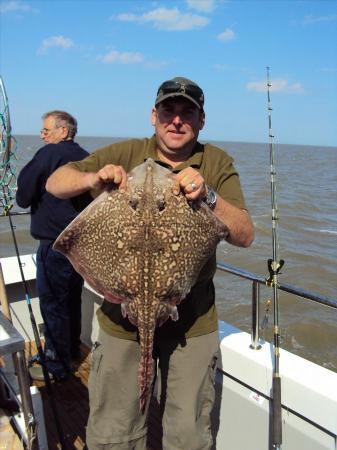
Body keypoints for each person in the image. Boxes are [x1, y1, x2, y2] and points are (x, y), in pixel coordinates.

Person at [46, 77, 254, 449]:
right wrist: (96, 176)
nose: (176, 121)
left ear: (201, 120)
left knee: (188, 435)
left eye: (186, 112)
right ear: (153, 116)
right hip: (119, 317)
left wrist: (208, 195)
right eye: (167, 111)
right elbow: (55, 183)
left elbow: (245, 234)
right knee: (114, 432)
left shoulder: (216, 161)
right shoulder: (126, 151)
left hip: (192, 321)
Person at [16, 110, 89, 381]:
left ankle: (56, 363)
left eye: (46, 130)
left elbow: (23, 194)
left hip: (55, 245)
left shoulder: (48, 154)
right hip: (79, 245)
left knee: (53, 304)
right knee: (71, 299)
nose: (42, 135)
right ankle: (69, 350)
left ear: (63, 131)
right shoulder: (86, 156)